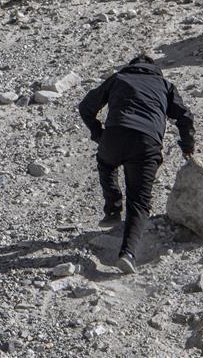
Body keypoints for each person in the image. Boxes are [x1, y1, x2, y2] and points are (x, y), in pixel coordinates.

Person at [78, 54, 195, 274]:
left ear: (132, 66)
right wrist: (187, 146)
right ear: (154, 68)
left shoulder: (120, 78)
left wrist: (98, 133)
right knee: (139, 202)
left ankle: (112, 209)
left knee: (106, 162)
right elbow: (185, 117)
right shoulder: (164, 85)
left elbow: (85, 106)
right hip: (146, 143)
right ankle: (128, 254)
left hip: (115, 133)